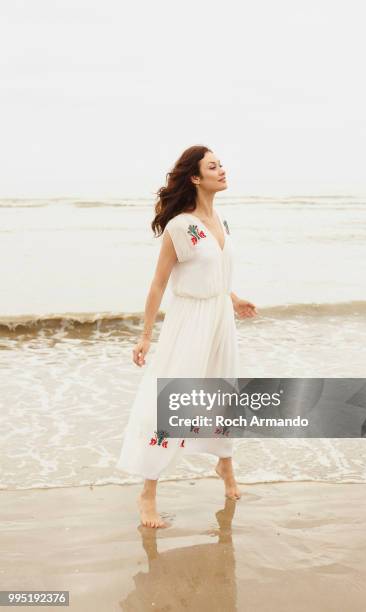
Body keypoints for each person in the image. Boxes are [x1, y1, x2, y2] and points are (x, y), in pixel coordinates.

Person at [116, 145, 257, 528]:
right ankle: (147, 495)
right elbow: (159, 283)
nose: (222, 170)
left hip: (220, 317)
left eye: (222, 164)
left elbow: (213, 274)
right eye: (213, 166)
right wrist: (145, 336)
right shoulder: (181, 227)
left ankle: (224, 467)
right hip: (189, 321)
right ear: (195, 177)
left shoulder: (221, 221)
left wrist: (233, 297)